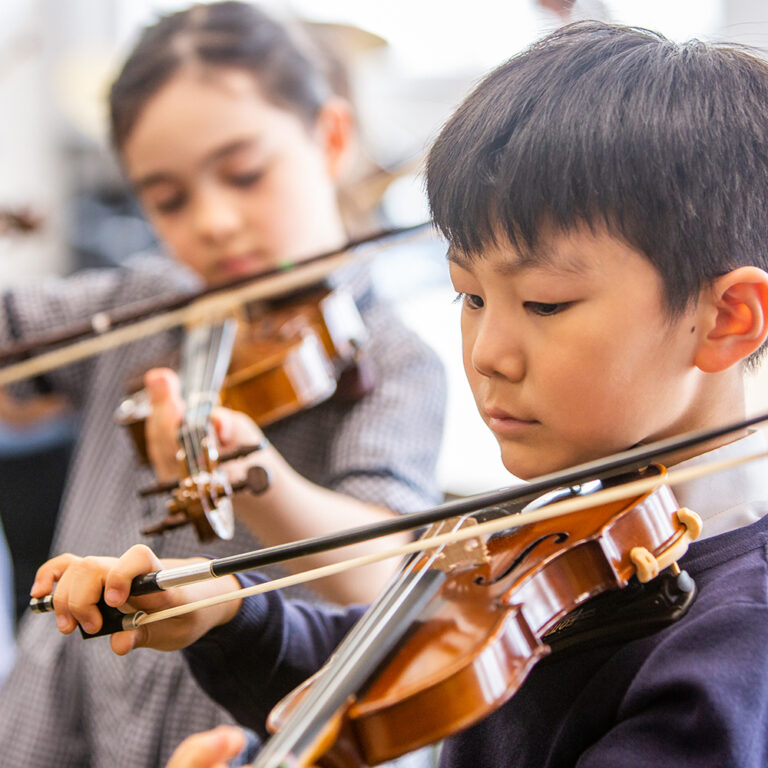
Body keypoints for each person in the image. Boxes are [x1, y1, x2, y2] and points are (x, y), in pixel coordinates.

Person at [35, 19, 768, 767]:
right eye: (469, 296)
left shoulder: (736, 643)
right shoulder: (571, 529)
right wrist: (228, 613)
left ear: (727, 320)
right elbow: (398, 656)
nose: (487, 355)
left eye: (544, 304)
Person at [0, 2, 445, 766]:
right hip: (71, 709)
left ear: (330, 138)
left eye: (245, 174)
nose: (212, 221)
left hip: (236, 721)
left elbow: (380, 570)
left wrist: (258, 479)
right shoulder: (143, 305)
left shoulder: (388, 362)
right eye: (168, 199)